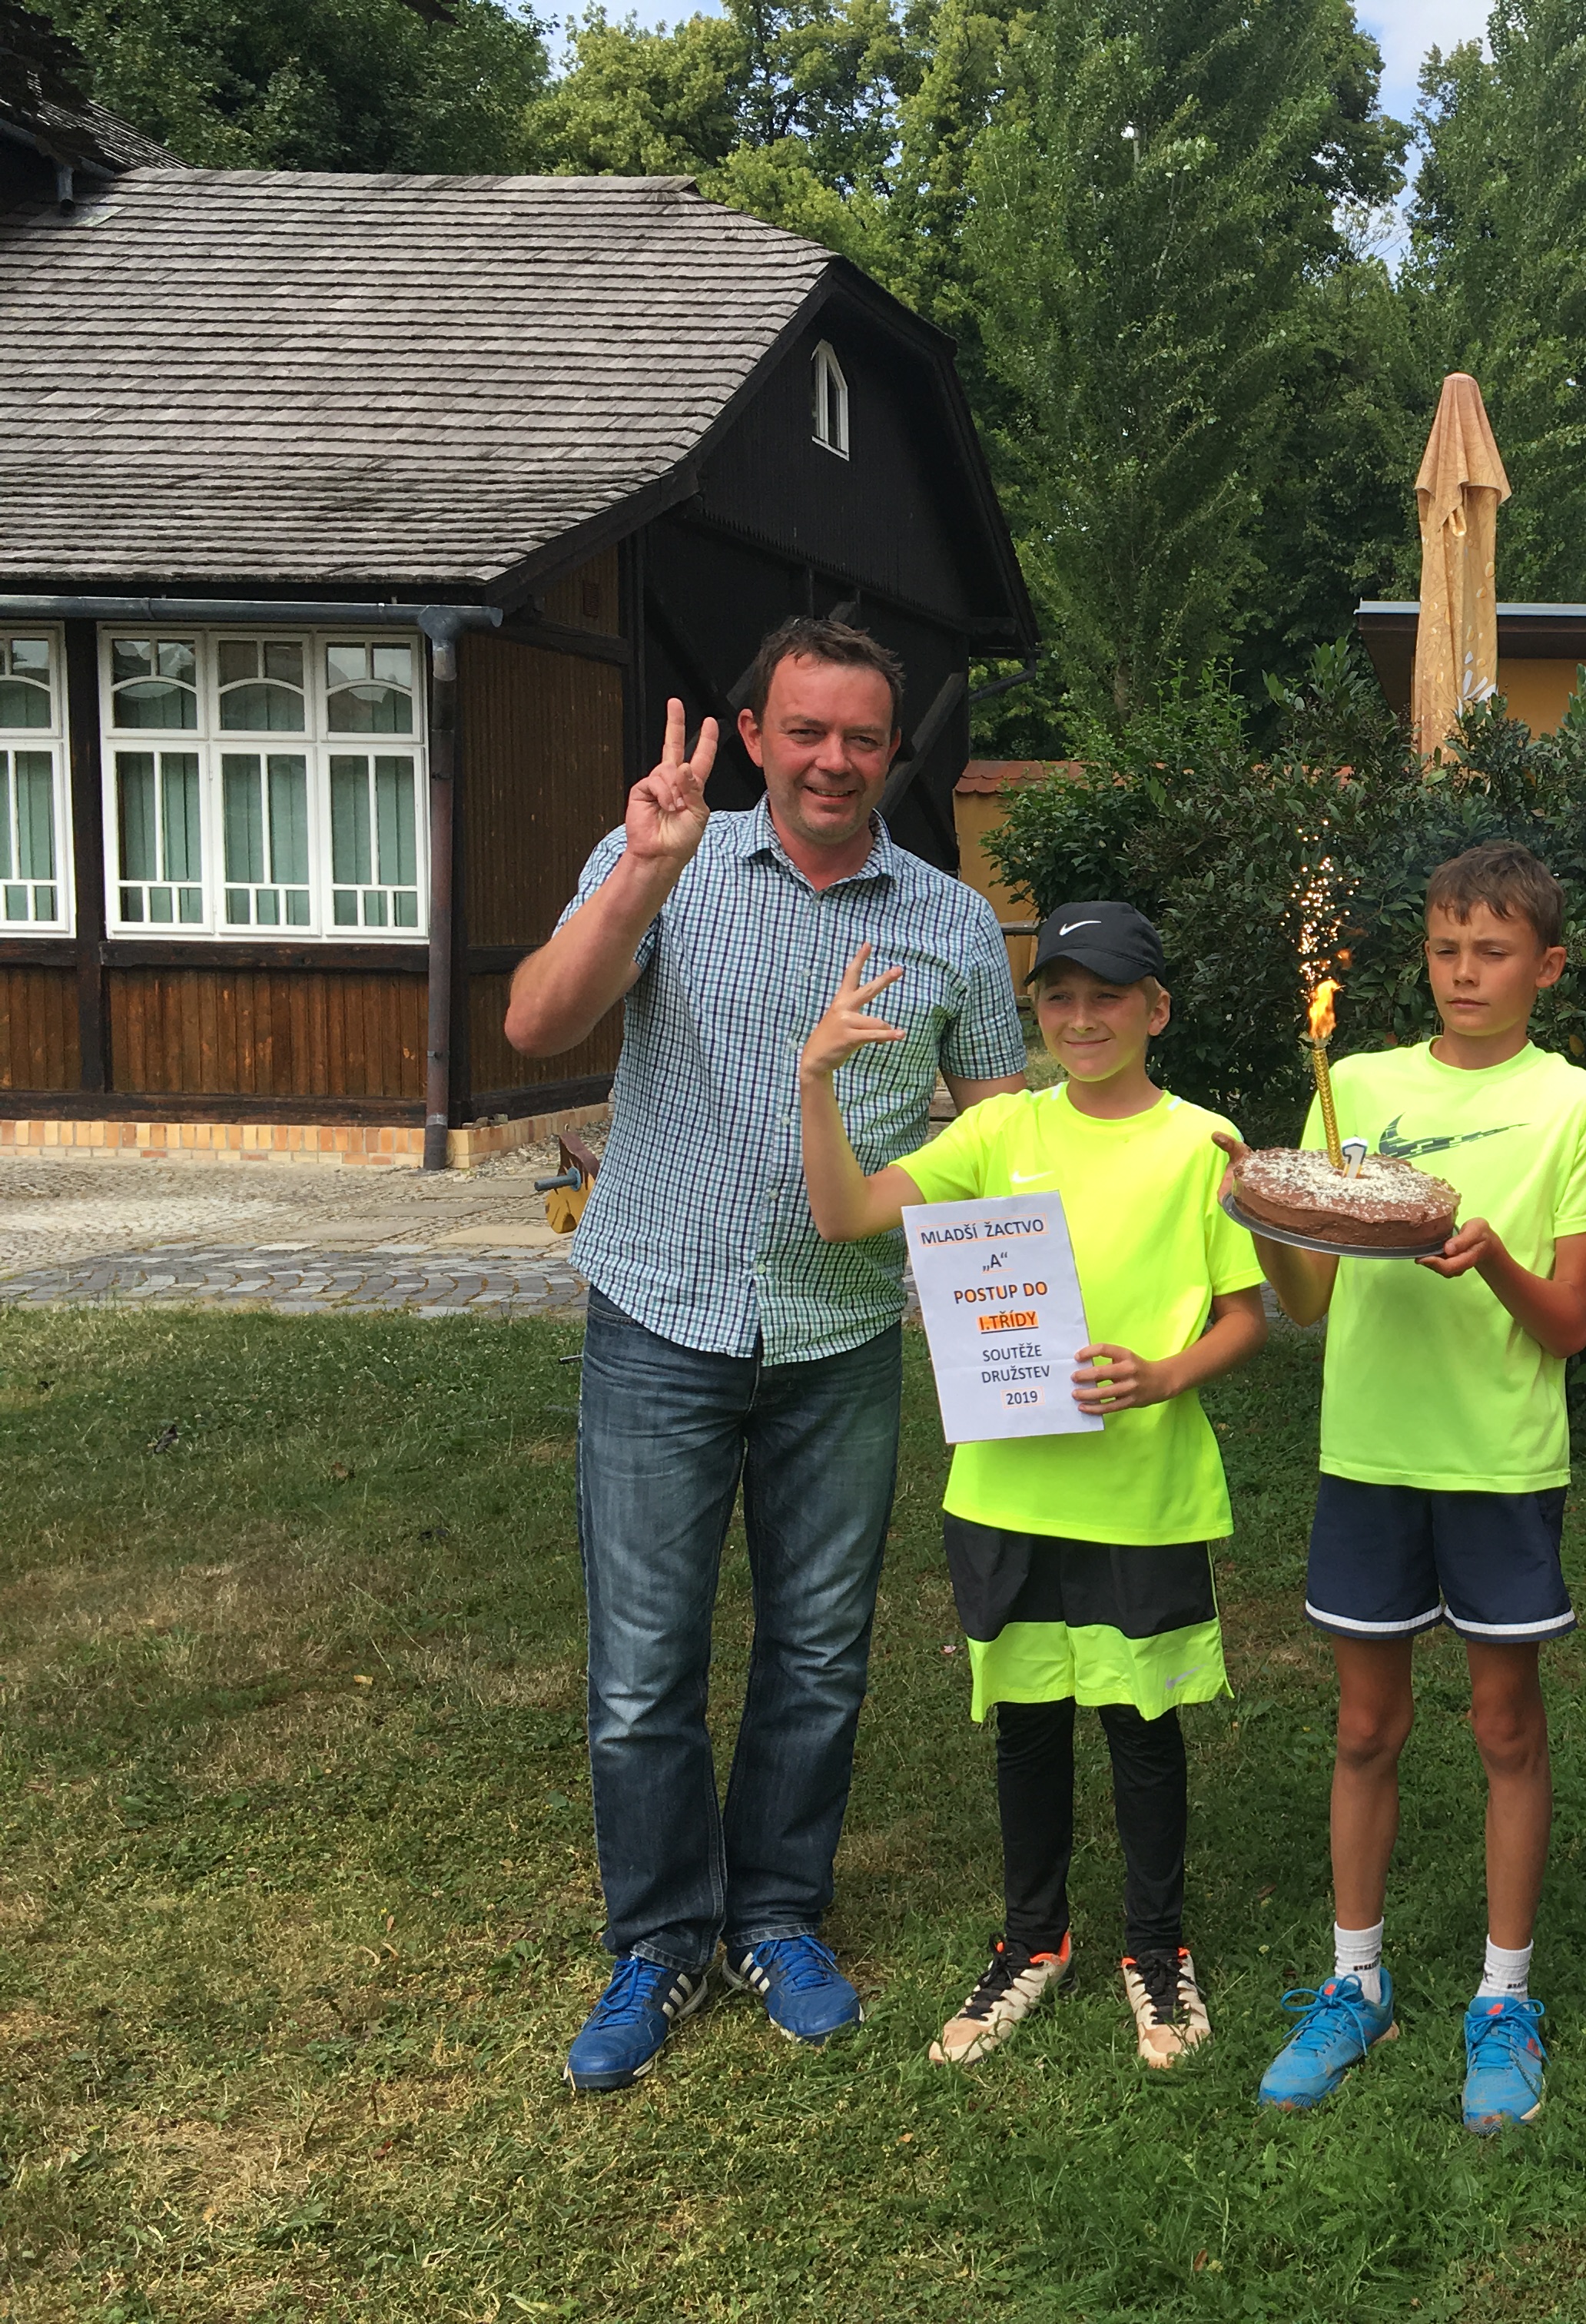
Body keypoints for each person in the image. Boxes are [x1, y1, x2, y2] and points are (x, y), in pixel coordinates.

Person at [503, 618, 1027, 2093]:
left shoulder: (952, 923)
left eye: (863, 737)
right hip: (660, 1312)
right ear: (754, 737)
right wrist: (641, 874)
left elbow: (1002, 1144)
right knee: (642, 1667)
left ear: (894, 752)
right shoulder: (664, 861)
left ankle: (778, 1915)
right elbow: (538, 1020)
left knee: (817, 1653)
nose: (833, 761)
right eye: (806, 731)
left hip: (840, 1332)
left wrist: (1032, 1325)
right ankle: (661, 1939)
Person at [1226, 841, 1586, 2130]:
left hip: (1498, 1458)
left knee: (1506, 1728)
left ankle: (1504, 1998)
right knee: (1365, 1729)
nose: (1466, 973)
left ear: (1547, 967)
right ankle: (1354, 1982)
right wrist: (1258, 1216)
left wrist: (1492, 1257)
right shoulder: (1353, 1081)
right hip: (1370, 1451)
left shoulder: (1583, 1106)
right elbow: (1312, 1293)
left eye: (1495, 952)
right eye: (1447, 949)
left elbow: (1570, 1327)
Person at [798, 900, 1265, 2070]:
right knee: (1028, 1727)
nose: (1082, 1017)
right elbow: (844, 1215)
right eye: (1059, 996)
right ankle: (1032, 1938)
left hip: (1141, 1493)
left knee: (1143, 1726)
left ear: (1157, 1010)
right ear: (1036, 1013)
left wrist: (1162, 1376)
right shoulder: (998, 1128)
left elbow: (1245, 1318)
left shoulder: (1205, 1144)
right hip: (1006, 1495)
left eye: (1109, 996)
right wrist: (816, 1079)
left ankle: (1157, 1950)